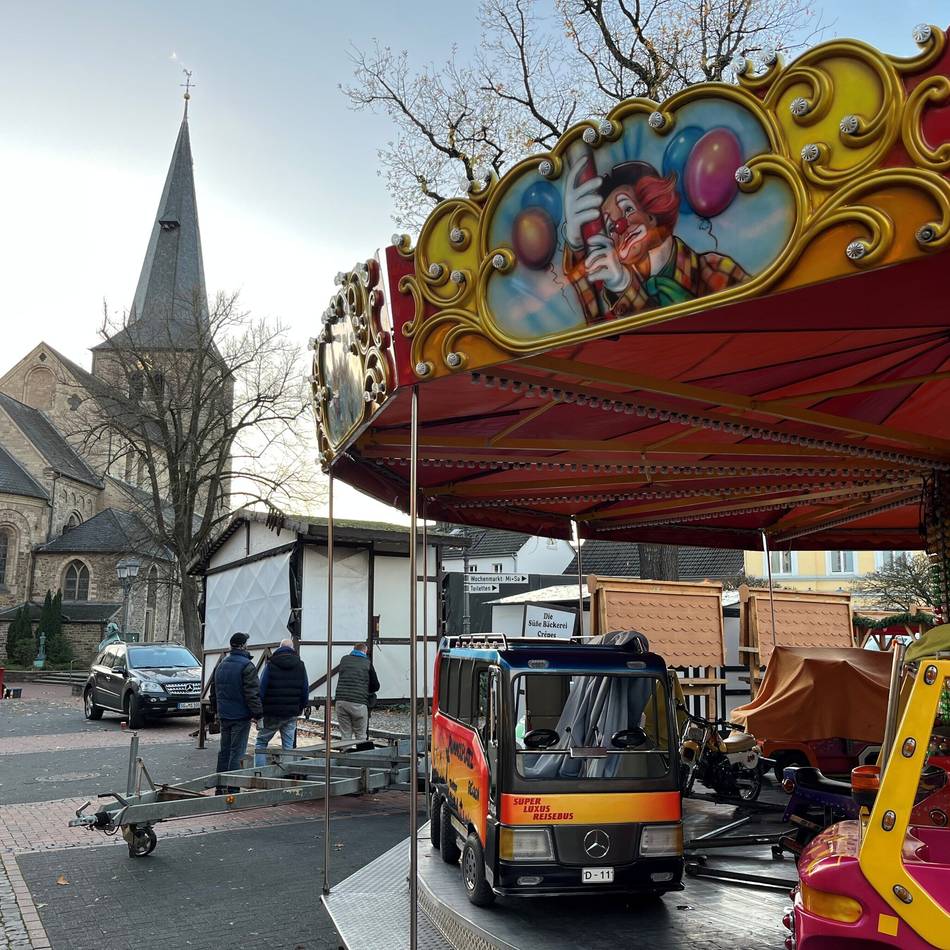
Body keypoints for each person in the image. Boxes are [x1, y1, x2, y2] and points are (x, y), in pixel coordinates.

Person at [563, 157, 749, 322]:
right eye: (611, 228)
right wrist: (577, 244)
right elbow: (599, 336)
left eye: (628, 209)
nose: (621, 226)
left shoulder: (715, 269)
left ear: (652, 211)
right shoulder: (609, 293)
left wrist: (627, 289)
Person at [210, 632, 263, 792]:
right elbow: (252, 694)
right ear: (243, 645)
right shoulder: (247, 666)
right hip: (240, 716)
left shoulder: (221, 664)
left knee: (224, 752)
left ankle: (220, 787)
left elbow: (214, 691)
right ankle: (232, 790)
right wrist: (258, 714)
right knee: (237, 752)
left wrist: (216, 711)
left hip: (224, 715)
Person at [254, 638, 310, 767]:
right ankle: (287, 772)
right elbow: (305, 690)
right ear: (292, 649)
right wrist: (300, 708)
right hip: (291, 713)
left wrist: (259, 711)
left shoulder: (270, 664)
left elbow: (261, 689)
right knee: (288, 746)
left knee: (261, 743)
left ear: (279, 648)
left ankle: (259, 773)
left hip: (271, 713)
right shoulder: (300, 665)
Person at [334, 641, 380, 741]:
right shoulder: (367, 663)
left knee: (345, 734)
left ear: (354, 650)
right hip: (358, 703)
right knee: (360, 735)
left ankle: (346, 750)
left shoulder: (344, 659)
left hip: (341, 701)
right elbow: (376, 686)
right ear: (365, 651)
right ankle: (361, 751)